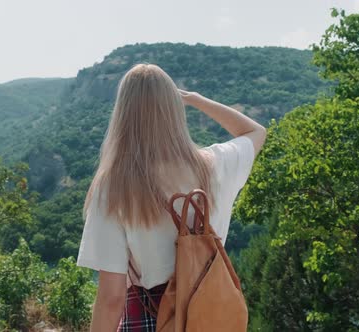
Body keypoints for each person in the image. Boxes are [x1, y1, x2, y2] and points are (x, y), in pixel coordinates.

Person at [76, 63, 267, 332]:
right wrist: (196, 100)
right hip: (209, 314)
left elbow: (111, 298)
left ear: (122, 114)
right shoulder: (214, 165)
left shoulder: (114, 185)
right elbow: (255, 132)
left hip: (149, 319)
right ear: (174, 110)